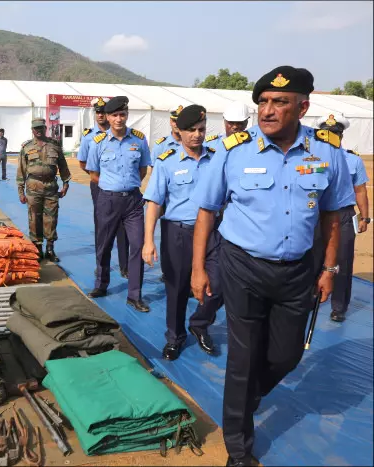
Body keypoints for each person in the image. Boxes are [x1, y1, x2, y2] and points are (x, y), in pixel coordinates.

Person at [190, 66, 355, 466]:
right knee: (243, 358)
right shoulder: (233, 151)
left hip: (299, 270)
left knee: (288, 355)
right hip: (242, 266)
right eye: (262, 102)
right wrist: (199, 268)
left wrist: (329, 269)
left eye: (279, 102)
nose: (267, 110)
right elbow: (207, 212)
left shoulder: (326, 152)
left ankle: (248, 395)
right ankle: (239, 448)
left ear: (303, 106)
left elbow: (334, 216)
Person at [143, 105, 222, 360]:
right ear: (178, 130)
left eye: (201, 129)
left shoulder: (216, 159)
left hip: (213, 233)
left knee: (219, 284)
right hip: (178, 233)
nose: (197, 135)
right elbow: (154, 202)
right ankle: (175, 337)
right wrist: (148, 241)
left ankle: (199, 324)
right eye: (191, 130)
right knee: (176, 289)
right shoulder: (166, 162)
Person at [85, 96, 152, 312]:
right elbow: (93, 173)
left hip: (133, 201)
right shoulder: (98, 142)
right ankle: (101, 285)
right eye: (115, 115)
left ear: (127, 115)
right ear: (108, 117)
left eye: (123, 114)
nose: (119, 119)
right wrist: (112, 187)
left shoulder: (139, 140)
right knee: (104, 245)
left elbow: (142, 170)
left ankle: (134, 295)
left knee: (138, 246)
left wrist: (128, 186)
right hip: (108, 200)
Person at [313, 113, 370, 322]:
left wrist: (365, 217)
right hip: (315, 214)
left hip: (343, 214)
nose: (331, 137)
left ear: (341, 135)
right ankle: (310, 297)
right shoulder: (311, 158)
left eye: (335, 134)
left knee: (343, 262)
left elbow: (361, 190)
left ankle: (339, 307)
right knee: (311, 259)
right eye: (327, 134)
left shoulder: (352, 160)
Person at [78, 97, 130, 277]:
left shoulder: (122, 133)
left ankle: (125, 266)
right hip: (99, 187)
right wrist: (102, 179)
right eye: (97, 112)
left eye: (103, 112)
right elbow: (83, 163)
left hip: (121, 188)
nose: (100, 115)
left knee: (123, 226)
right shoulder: (88, 136)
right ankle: (101, 264)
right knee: (102, 225)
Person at [17, 118, 71, 262]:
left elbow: (63, 167)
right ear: (32, 130)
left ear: (45, 128)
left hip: (51, 187)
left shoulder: (55, 145)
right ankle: (37, 249)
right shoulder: (26, 147)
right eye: (36, 128)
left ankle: (50, 249)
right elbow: (21, 171)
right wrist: (21, 192)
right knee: (34, 218)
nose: (38, 130)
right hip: (33, 186)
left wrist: (66, 184)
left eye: (41, 128)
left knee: (51, 218)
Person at [150, 105, 185, 283]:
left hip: (185, 196)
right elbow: (152, 172)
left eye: (180, 121)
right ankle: (167, 270)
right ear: (170, 122)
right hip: (166, 199)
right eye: (174, 120)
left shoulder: (195, 143)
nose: (177, 124)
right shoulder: (161, 145)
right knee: (168, 236)